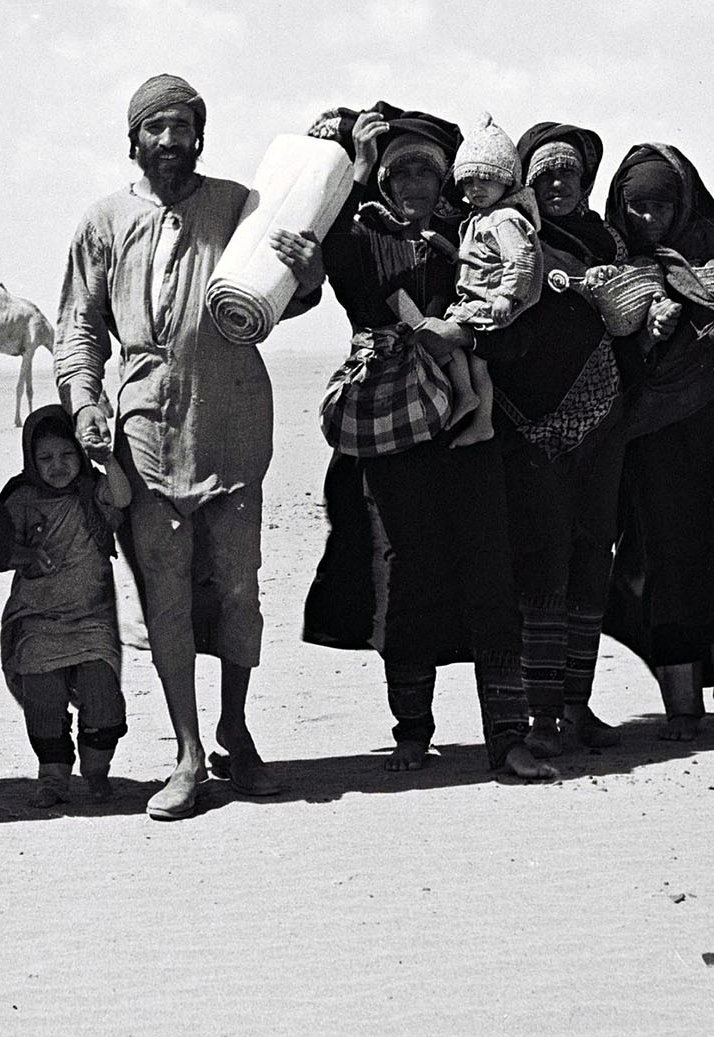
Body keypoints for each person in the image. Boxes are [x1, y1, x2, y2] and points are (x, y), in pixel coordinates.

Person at [55, 72, 318, 821]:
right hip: (145, 429)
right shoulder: (103, 220)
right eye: (156, 127)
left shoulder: (240, 205)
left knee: (238, 589)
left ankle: (236, 728)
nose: (170, 140)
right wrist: (84, 402)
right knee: (164, 595)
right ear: (133, 139)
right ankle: (189, 752)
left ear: (200, 135)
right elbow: (79, 327)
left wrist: (308, 273)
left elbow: (286, 296)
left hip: (234, 420)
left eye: (183, 126)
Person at [300, 104, 555, 780]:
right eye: (399, 171)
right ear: (383, 181)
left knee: (491, 575)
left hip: (470, 431)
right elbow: (345, 272)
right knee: (407, 576)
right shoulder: (359, 235)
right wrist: (357, 166)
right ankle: (412, 731)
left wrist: (465, 334)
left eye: (425, 170)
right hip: (392, 424)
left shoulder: (472, 232)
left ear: (445, 179)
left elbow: (521, 320)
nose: (412, 181)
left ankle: (507, 737)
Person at [470, 123, 632, 755]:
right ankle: (541, 717)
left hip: (603, 416)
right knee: (543, 563)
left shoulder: (607, 239)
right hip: (526, 422)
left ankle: (576, 706)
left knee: (592, 558)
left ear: (586, 180)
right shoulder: (507, 231)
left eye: (568, 173)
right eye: (544, 175)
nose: (558, 184)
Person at [603, 143, 714, 740]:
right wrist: (646, 335)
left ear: (685, 204)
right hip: (655, 439)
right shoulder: (613, 264)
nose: (648, 219)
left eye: (661, 206)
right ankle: (683, 708)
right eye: (637, 207)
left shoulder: (710, 253)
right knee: (670, 560)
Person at [0, 405, 130, 807]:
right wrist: (26, 556)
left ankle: (96, 771)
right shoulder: (21, 499)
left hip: (92, 618)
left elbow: (123, 498)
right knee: (43, 697)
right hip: (37, 619)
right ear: (30, 460)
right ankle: (53, 777)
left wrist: (107, 461)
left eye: (67, 454)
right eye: (46, 458)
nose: (57, 466)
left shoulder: (93, 491)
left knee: (101, 691)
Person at [441, 113, 544, 447]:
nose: (476, 188)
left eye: (486, 179)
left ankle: (466, 396)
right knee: (477, 362)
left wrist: (506, 295)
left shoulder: (504, 218)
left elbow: (521, 258)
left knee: (442, 336)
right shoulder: (481, 217)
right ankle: (481, 417)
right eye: (469, 181)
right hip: (477, 300)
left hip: (489, 303)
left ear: (507, 181)